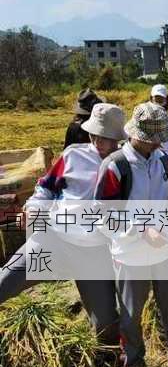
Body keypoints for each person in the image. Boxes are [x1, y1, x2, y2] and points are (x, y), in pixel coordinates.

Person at [1, 103, 124, 350]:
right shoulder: (73, 155)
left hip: (93, 253)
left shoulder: (125, 163)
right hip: (53, 241)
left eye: (105, 137)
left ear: (117, 137)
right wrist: (34, 208)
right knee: (5, 282)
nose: (98, 141)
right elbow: (46, 188)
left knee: (106, 329)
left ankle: (104, 366)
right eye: (94, 135)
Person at [94, 102, 168, 367]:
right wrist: (141, 230)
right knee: (131, 314)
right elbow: (103, 216)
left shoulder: (162, 160)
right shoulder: (116, 166)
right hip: (130, 254)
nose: (157, 144)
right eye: (152, 139)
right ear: (135, 136)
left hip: (166, 249)